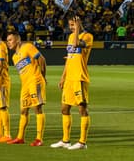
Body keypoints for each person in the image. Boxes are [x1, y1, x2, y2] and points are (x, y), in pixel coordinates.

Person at [52, 14, 92, 150]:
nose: (71, 28)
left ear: (80, 24)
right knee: (64, 108)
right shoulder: (70, 37)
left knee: (82, 109)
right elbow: (69, 58)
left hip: (79, 77)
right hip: (69, 78)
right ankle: (65, 140)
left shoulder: (87, 37)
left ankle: (82, 142)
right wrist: (63, 77)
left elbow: (76, 44)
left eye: (73, 25)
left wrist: (77, 30)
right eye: (70, 25)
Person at [7, 28, 47, 145]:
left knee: (37, 109)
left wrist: (42, 76)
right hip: (25, 85)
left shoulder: (27, 47)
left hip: (35, 81)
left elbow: (41, 59)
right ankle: (20, 137)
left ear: (18, 39)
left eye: (10, 39)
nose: (8, 42)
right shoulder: (14, 57)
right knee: (23, 110)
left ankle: (39, 139)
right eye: (7, 40)